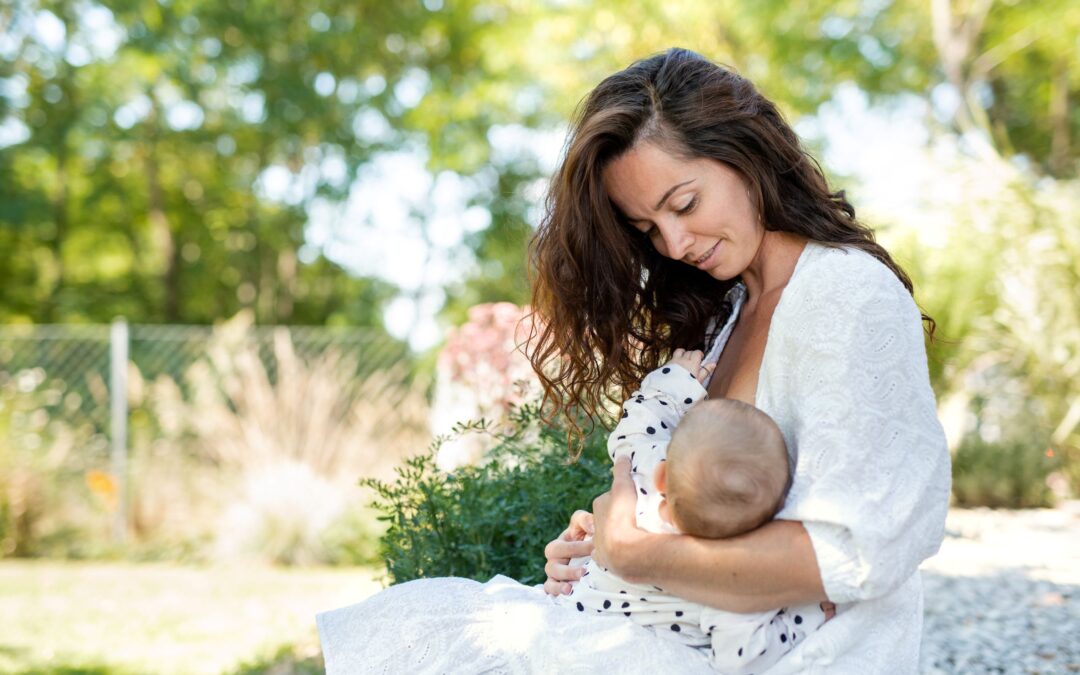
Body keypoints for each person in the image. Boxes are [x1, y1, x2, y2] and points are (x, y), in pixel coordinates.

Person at [316, 47, 950, 674]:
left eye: (684, 204)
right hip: (690, 638)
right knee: (438, 625)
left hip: (798, 659)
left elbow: (857, 550)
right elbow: (698, 513)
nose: (673, 244)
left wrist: (634, 553)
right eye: (647, 228)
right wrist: (602, 555)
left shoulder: (844, 295)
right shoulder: (729, 313)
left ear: (747, 156)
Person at [560, 346, 827, 674]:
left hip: (574, 619)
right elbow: (743, 658)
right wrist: (806, 617)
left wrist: (676, 381)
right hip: (638, 659)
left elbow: (636, 429)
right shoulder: (725, 581)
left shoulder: (644, 471)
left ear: (662, 476)